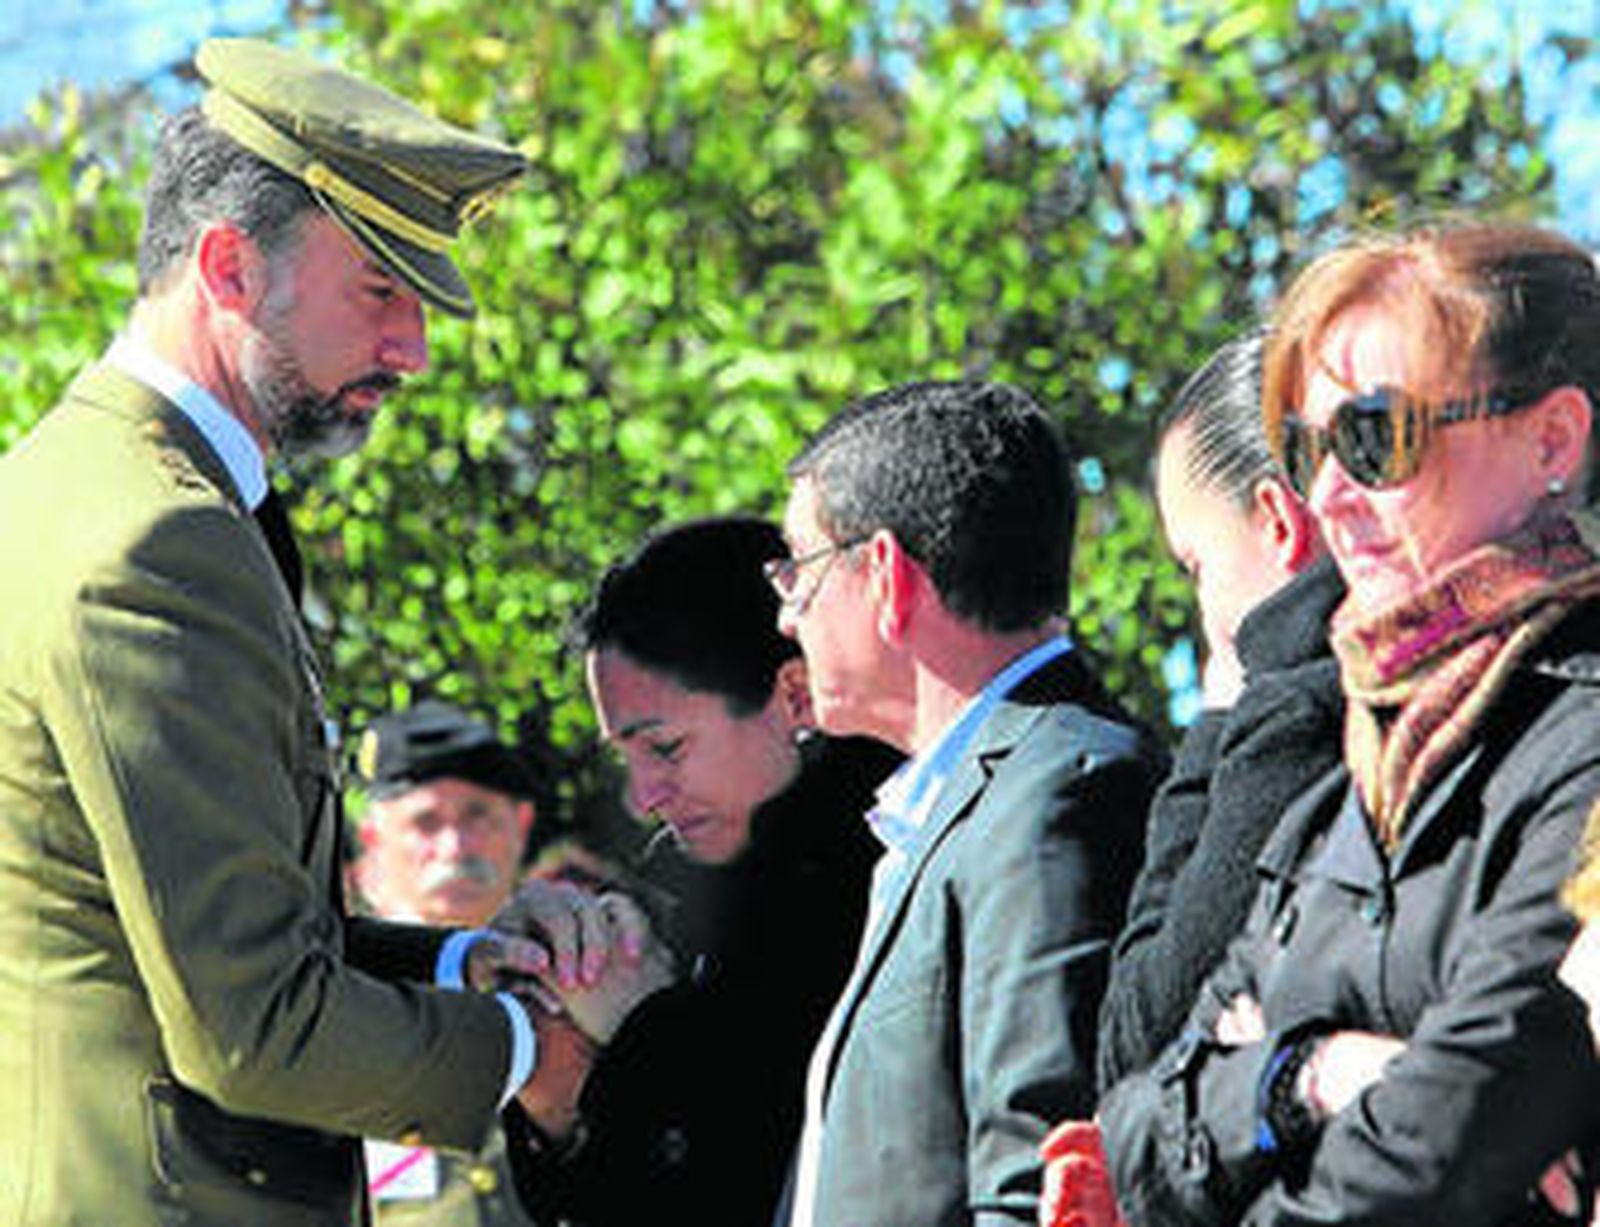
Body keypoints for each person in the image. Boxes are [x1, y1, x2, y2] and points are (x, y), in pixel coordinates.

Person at [0, 38, 623, 1227]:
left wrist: (458, 960)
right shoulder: (154, 541)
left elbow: (164, 941)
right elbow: (253, 1025)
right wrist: (529, 1055)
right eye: (378, 291)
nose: (413, 350)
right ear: (230, 267)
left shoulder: (67, 487)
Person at [1046, 220, 1600, 1227]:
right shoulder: (1354, 771)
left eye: (1376, 436)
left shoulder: (1583, 741)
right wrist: (1314, 1073)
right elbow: (1132, 1120)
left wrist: (1256, 1082)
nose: (1329, 497)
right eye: (1307, 448)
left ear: (1552, 440)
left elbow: (1455, 1134)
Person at [774, 380, 1167, 1227]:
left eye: (796, 571)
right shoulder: (977, 799)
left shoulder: (1056, 792)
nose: (785, 616)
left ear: (883, 574)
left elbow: (1041, 1188)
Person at [504, 516, 900, 1227]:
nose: (644, 794)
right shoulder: (682, 887)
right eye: (625, 757)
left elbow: (739, 1171)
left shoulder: (893, 869)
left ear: (794, 695)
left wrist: (637, 1025)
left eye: (664, 747)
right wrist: (553, 1072)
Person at [1095, 332, 1345, 1091]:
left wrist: (1212, 726)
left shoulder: (1297, 714)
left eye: (1196, 564)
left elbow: (1140, 1033)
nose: (1203, 607)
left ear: (1275, 520)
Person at [349, 700, 546, 1227]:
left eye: (478, 815)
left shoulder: (577, 972)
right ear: (374, 839)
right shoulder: (338, 995)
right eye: (425, 822)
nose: (454, 846)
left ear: (522, 823)